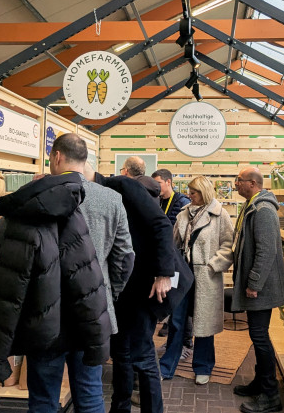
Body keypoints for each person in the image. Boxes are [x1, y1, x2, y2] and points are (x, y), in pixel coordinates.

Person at [0, 134, 134, 413]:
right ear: (85, 160)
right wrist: (108, 293)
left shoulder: (36, 196)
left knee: (43, 397)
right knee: (90, 395)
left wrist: (25, 195)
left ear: (56, 157)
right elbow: (125, 257)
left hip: (42, 313)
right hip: (92, 312)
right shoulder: (112, 199)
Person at [101, 156, 178, 413]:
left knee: (141, 354)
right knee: (122, 352)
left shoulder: (131, 192)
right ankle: (120, 407)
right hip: (127, 287)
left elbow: (162, 228)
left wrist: (163, 274)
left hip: (143, 287)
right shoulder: (135, 194)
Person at [158, 175, 233, 385]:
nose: (189, 195)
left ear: (204, 192)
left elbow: (228, 246)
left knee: (204, 324)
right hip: (182, 275)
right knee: (176, 321)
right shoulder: (184, 214)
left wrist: (212, 265)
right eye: (189, 191)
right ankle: (167, 366)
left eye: (194, 192)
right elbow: (173, 244)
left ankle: (203, 366)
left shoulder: (220, 215)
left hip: (206, 276)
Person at [230, 167, 284, 413]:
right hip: (258, 285)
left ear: (253, 183)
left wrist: (254, 283)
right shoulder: (252, 205)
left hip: (262, 287)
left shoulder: (264, 210)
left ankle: (270, 395)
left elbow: (267, 251)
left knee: (260, 337)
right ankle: (260, 382)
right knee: (258, 336)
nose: (235, 184)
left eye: (239, 180)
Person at [151, 168, 192, 342]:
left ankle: (186, 339)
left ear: (168, 182)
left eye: (158, 183)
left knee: (179, 299)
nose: (156, 187)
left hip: (178, 258)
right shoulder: (158, 201)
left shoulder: (181, 202)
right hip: (166, 256)